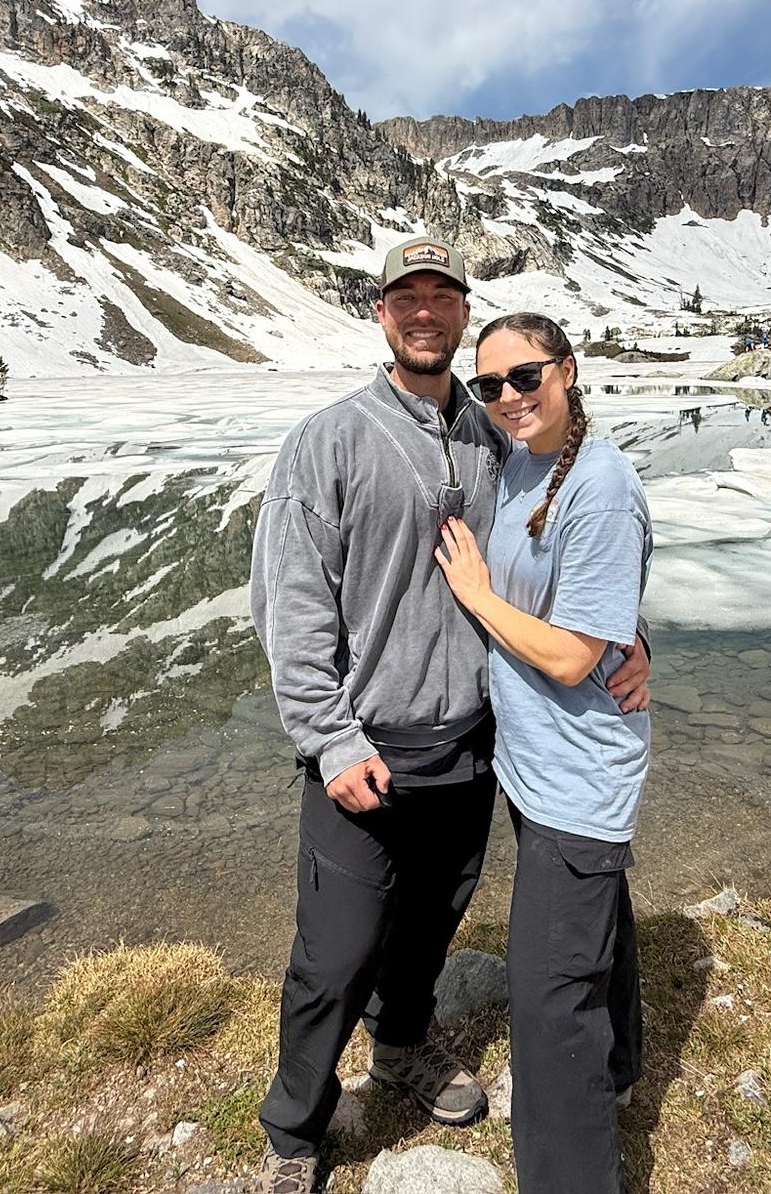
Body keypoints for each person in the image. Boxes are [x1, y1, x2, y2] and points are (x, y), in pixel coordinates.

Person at [248, 241, 651, 1194]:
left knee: (434, 916)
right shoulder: (329, 440)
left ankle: (401, 1047)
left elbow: (567, 552)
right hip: (364, 744)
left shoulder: (495, 433)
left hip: (473, 745)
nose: (424, 311)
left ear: (462, 313)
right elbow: (289, 601)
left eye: (442, 296)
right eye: (405, 298)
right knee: (337, 949)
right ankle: (294, 1130)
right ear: (381, 315)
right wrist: (328, 736)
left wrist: (630, 640)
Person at [435, 312, 652, 1194]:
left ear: (568, 370)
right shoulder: (526, 463)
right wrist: (634, 637)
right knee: (596, 927)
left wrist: (479, 597)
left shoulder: (598, 482)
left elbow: (567, 653)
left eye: (526, 378)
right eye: (490, 386)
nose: (508, 398)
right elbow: (609, 595)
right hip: (542, 765)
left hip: (577, 778)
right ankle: (626, 1063)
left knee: (547, 1001)